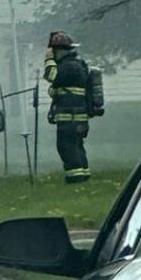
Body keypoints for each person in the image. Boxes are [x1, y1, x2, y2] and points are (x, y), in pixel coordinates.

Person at [44, 32, 92, 184]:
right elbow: (63, 86)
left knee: (66, 146)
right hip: (78, 115)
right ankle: (83, 174)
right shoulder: (77, 65)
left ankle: (75, 178)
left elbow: (51, 75)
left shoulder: (67, 66)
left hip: (69, 115)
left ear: (59, 50)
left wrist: (49, 60)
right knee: (77, 145)